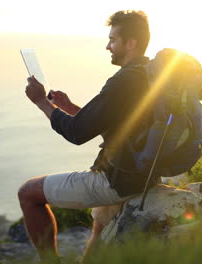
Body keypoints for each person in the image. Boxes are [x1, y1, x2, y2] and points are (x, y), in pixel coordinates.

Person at [19, 10, 154, 262]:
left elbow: (76, 133)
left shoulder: (123, 81)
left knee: (27, 193)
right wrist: (68, 108)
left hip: (117, 180)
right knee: (100, 226)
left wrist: (41, 102)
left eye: (113, 39)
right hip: (143, 173)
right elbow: (116, 125)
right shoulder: (149, 75)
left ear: (131, 43)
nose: (107, 46)